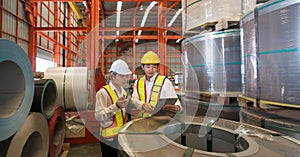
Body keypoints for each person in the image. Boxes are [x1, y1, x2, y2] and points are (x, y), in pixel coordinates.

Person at [95, 59, 132, 157]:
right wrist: (115, 106)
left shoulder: (124, 92)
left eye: (126, 76)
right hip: (109, 139)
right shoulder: (103, 93)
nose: (125, 79)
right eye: (121, 76)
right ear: (113, 76)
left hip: (122, 137)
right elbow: (99, 116)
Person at [131, 51, 182, 118]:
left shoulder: (165, 82)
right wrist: (143, 105)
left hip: (161, 119)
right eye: (148, 67)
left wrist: (177, 107)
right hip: (143, 120)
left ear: (158, 68)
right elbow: (134, 100)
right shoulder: (138, 82)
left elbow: (176, 101)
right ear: (143, 67)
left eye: (154, 67)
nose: (151, 70)